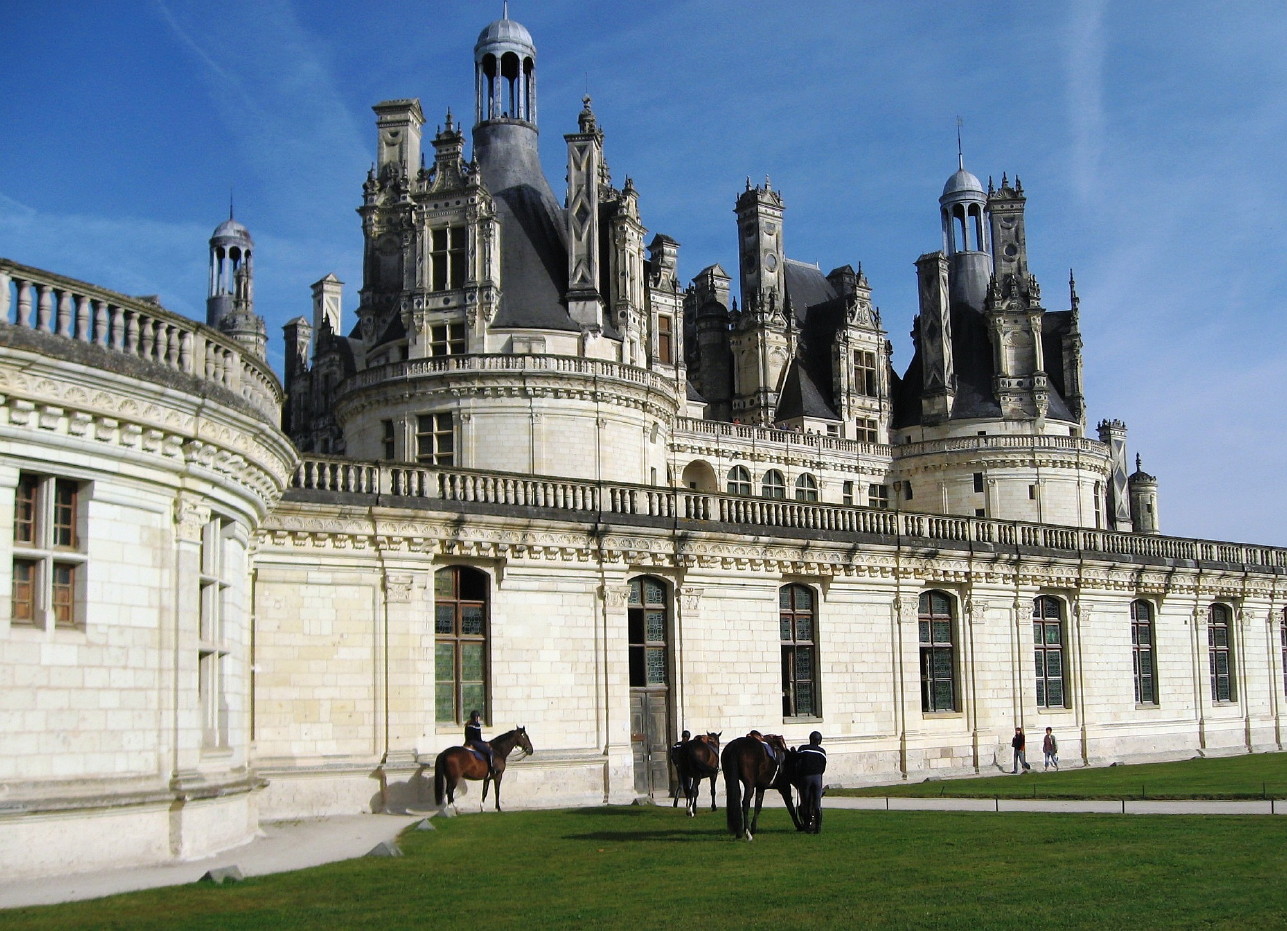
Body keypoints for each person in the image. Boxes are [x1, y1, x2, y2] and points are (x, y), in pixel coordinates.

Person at [795, 731, 828, 833]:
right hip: (817, 778)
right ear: (819, 741)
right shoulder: (822, 751)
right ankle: (817, 827)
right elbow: (823, 767)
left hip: (805, 778)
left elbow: (797, 763)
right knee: (817, 804)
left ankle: (807, 826)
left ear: (810, 739)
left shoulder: (802, 749)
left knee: (805, 802)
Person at [465, 709, 495, 776]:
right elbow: (478, 738)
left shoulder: (467, 724)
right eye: (478, 717)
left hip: (467, 742)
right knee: (489, 751)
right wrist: (484, 743)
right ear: (476, 717)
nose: (479, 718)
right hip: (475, 742)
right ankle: (491, 769)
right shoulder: (476, 725)